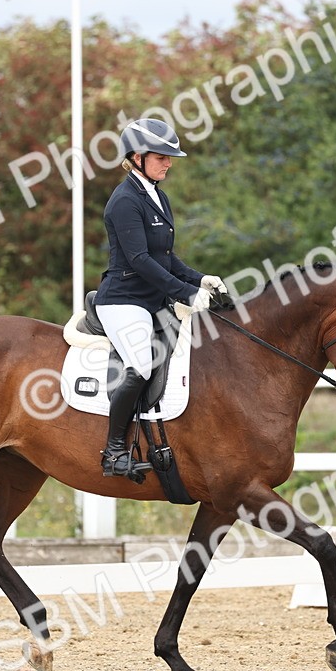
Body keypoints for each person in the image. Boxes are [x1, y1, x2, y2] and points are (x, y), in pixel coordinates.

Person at [94, 118, 227, 478]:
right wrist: (186, 293)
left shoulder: (157, 194)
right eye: (161, 157)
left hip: (152, 300)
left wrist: (201, 279)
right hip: (123, 300)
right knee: (140, 364)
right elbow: (139, 260)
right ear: (137, 157)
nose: (168, 163)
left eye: (170, 157)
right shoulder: (124, 201)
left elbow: (166, 258)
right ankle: (115, 451)